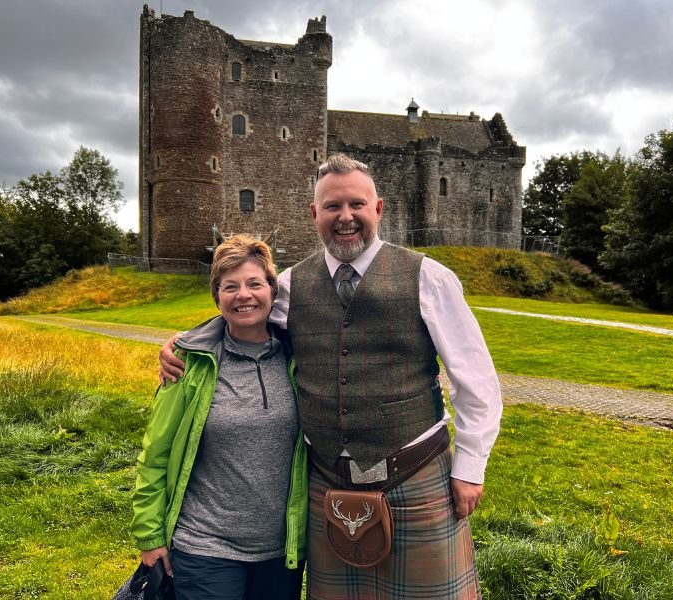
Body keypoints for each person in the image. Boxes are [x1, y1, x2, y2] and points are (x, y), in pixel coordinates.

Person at [160, 154, 503, 599]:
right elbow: (243, 318)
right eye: (332, 206)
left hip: (416, 473)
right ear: (314, 214)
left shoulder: (428, 278)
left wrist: (471, 467)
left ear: (378, 209)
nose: (345, 217)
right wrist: (186, 343)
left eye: (356, 204)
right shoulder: (289, 286)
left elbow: (475, 379)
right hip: (328, 480)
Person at [133, 235, 307, 600]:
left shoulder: (300, 357)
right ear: (217, 297)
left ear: (272, 291)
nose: (244, 295)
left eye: (254, 284)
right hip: (204, 546)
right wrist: (150, 536)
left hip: (281, 552)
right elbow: (156, 453)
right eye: (230, 287)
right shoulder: (189, 362)